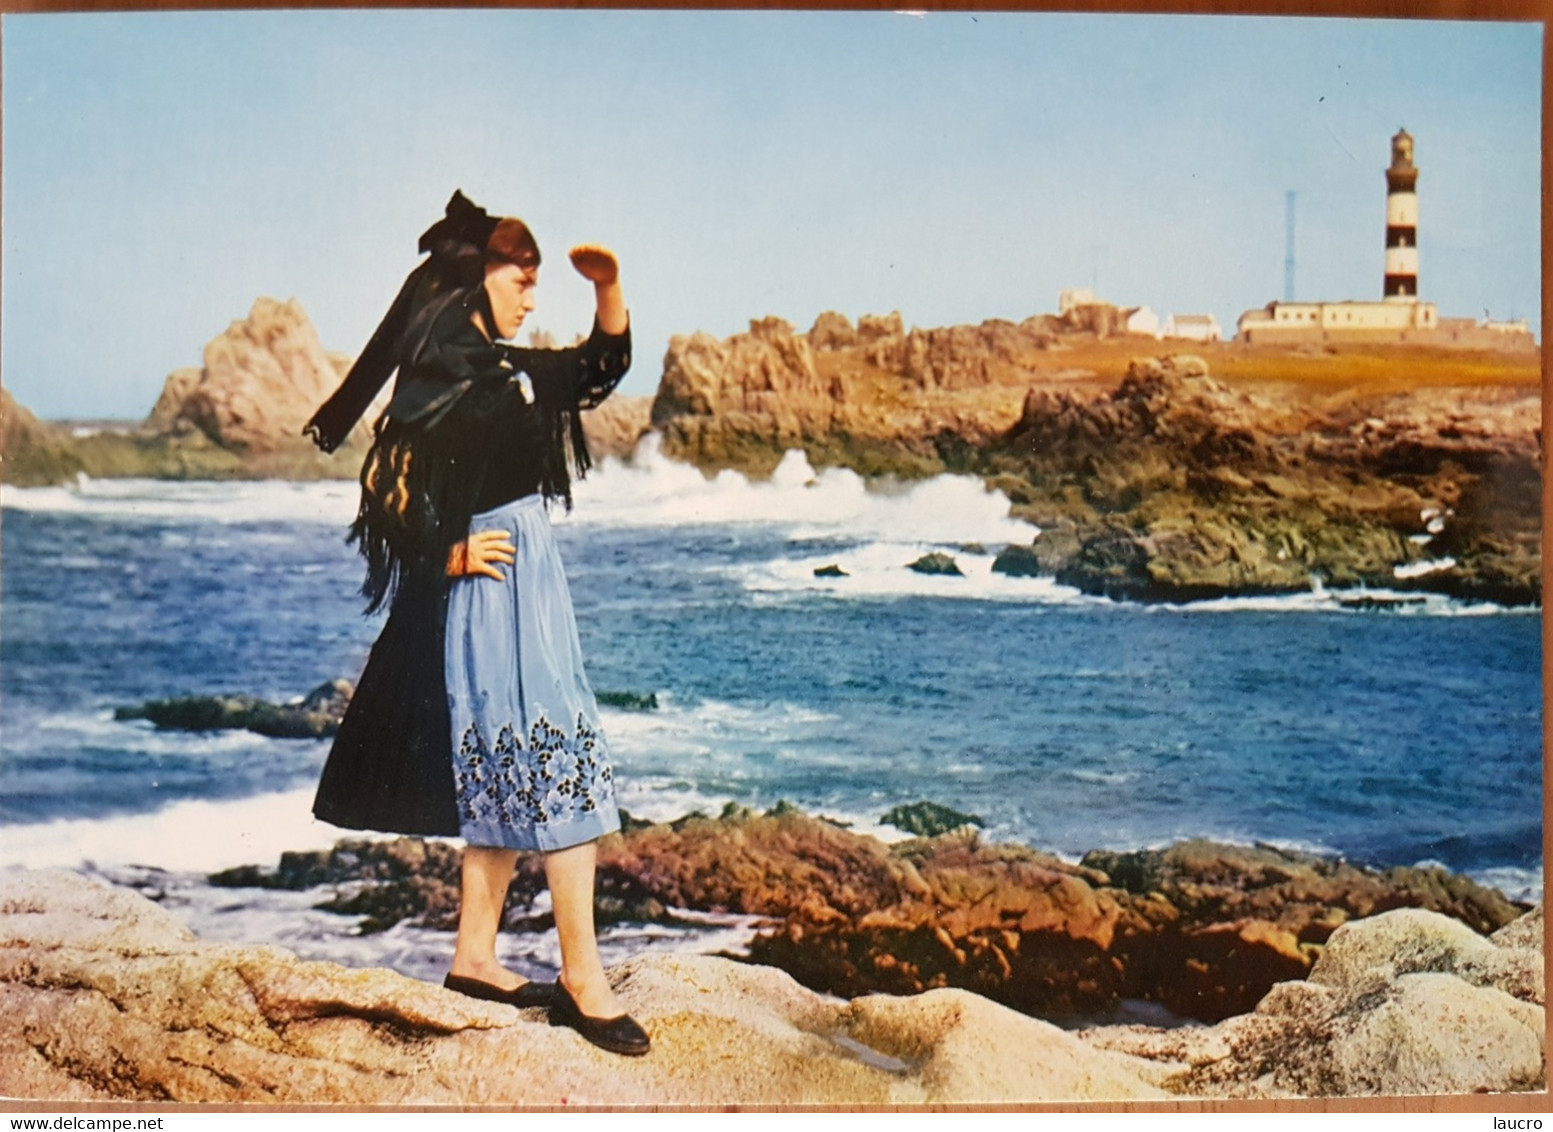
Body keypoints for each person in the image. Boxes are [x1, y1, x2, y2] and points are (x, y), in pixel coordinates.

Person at [304, 191, 648, 1056]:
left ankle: (472, 959)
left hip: (530, 579)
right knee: (558, 753)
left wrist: (608, 289)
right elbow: (384, 481)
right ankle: (582, 977)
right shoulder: (445, 374)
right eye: (520, 280)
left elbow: (599, 369)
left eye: (536, 282)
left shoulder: (511, 369)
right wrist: (446, 550)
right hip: (489, 591)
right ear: (475, 280)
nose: (533, 296)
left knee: (505, 767)